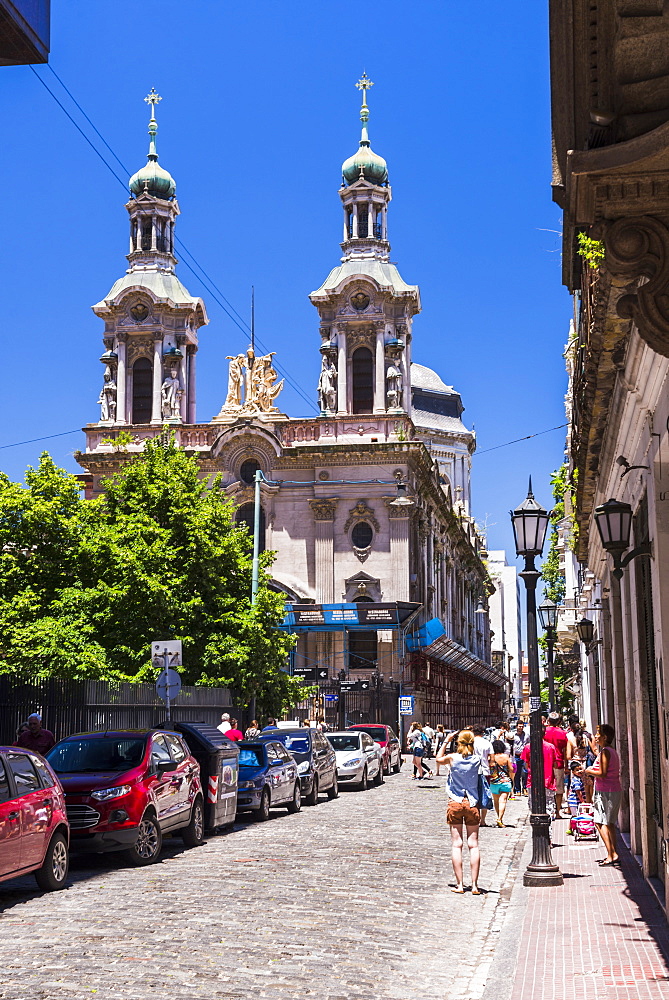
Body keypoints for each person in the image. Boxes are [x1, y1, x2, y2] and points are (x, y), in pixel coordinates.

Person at [436, 730, 483, 895]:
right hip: (472, 803)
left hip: (455, 802)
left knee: (457, 844)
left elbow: (438, 759)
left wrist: (445, 741)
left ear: (458, 742)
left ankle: (460, 884)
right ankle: (475, 886)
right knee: (474, 845)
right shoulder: (477, 760)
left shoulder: (453, 758)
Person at [584, 723, 622, 865]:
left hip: (606, 791)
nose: (595, 736)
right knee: (609, 823)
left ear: (605, 737)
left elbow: (602, 773)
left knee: (600, 822)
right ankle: (613, 853)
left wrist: (588, 770)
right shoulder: (610, 750)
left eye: (598, 734)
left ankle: (611, 853)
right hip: (611, 789)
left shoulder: (606, 751)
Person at [521, 726, 558, 817]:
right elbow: (555, 765)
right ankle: (548, 829)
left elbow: (526, 765)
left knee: (534, 806)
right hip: (548, 781)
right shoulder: (551, 747)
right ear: (544, 734)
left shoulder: (528, 747)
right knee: (549, 806)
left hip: (532, 781)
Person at [544, 711, 568, 815]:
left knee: (547, 786)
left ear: (548, 721)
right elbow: (565, 750)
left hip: (546, 763)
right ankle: (557, 811)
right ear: (558, 721)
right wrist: (566, 765)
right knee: (559, 788)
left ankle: (549, 810)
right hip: (558, 763)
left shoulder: (544, 731)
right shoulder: (563, 733)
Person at [489, 739, 515, 827]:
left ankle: (499, 818)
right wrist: (511, 778)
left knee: (496, 801)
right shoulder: (506, 757)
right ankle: (500, 819)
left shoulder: (491, 758)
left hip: (494, 782)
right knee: (503, 800)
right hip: (505, 781)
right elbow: (511, 769)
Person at [472, 725, 493, 825]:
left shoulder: (470, 743)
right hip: (485, 771)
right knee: (485, 794)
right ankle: (483, 820)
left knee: (474, 794)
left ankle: (475, 817)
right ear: (483, 733)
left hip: (472, 772)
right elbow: (492, 760)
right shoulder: (487, 743)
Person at [510, 721, 529, 797]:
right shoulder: (513, 735)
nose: (521, 728)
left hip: (524, 756)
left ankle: (525, 788)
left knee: (525, 773)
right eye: (519, 726)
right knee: (517, 774)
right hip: (516, 756)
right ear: (516, 726)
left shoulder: (526, 735)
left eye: (522, 726)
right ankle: (517, 789)